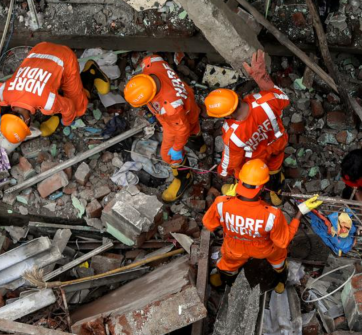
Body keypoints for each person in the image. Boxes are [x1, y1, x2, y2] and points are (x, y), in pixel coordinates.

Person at [202, 159, 322, 293]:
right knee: (278, 259)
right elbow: (283, 241)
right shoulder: (272, 215)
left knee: (228, 265)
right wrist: (300, 212)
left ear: (240, 181)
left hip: (234, 248)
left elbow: (208, 224)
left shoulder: (220, 203)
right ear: (263, 187)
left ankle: (224, 282)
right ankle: (280, 282)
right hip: (264, 249)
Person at [203, 50, 289, 205]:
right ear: (235, 95)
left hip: (256, 160)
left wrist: (223, 172)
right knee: (275, 165)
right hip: (278, 144)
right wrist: (262, 78)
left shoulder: (233, 134)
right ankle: (276, 190)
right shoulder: (266, 101)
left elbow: (232, 160)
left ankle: (253, 190)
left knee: (243, 172)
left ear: (226, 115)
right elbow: (283, 98)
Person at [0, 42, 110, 143]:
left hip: (64, 57)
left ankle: (91, 71)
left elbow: (69, 107)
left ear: (26, 120)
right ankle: (58, 111)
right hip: (39, 49)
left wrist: (67, 121)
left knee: (78, 108)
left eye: (28, 125)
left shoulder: (47, 102)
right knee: (56, 100)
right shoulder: (5, 94)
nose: (30, 124)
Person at [123, 54, 201, 203]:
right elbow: (150, 59)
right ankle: (199, 144)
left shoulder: (170, 108)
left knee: (168, 155)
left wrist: (177, 148)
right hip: (189, 103)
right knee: (194, 128)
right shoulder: (152, 62)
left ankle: (184, 179)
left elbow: (181, 129)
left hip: (178, 118)